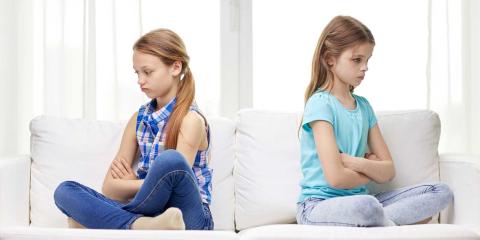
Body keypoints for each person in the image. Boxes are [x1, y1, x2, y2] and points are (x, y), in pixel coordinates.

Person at [296, 16, 453, 227]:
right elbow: (336, 178)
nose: (365, 67)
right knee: (367, 207)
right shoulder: (320, 104)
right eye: (357, 60)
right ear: (330, 59)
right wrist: (372, 170)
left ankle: (380, 221)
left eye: (367, 60)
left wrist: (354, 162)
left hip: (361, 201)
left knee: (441, 192)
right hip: (318, 205)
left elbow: (389, 171)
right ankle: (390, 221)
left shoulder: (364, 107)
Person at [54, 28, 214, 230]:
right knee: (65, 191)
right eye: (137, 73)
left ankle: (105, 220)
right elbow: (110, 188)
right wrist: (149, 183)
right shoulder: (138, 119)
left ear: (175, 67)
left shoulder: (191, 120)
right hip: (150, 213)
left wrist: (138, 182)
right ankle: (142, 225)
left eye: (147, 72)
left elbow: (174, 181)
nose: (140, 80)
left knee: (171, 160)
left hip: (188, 216)